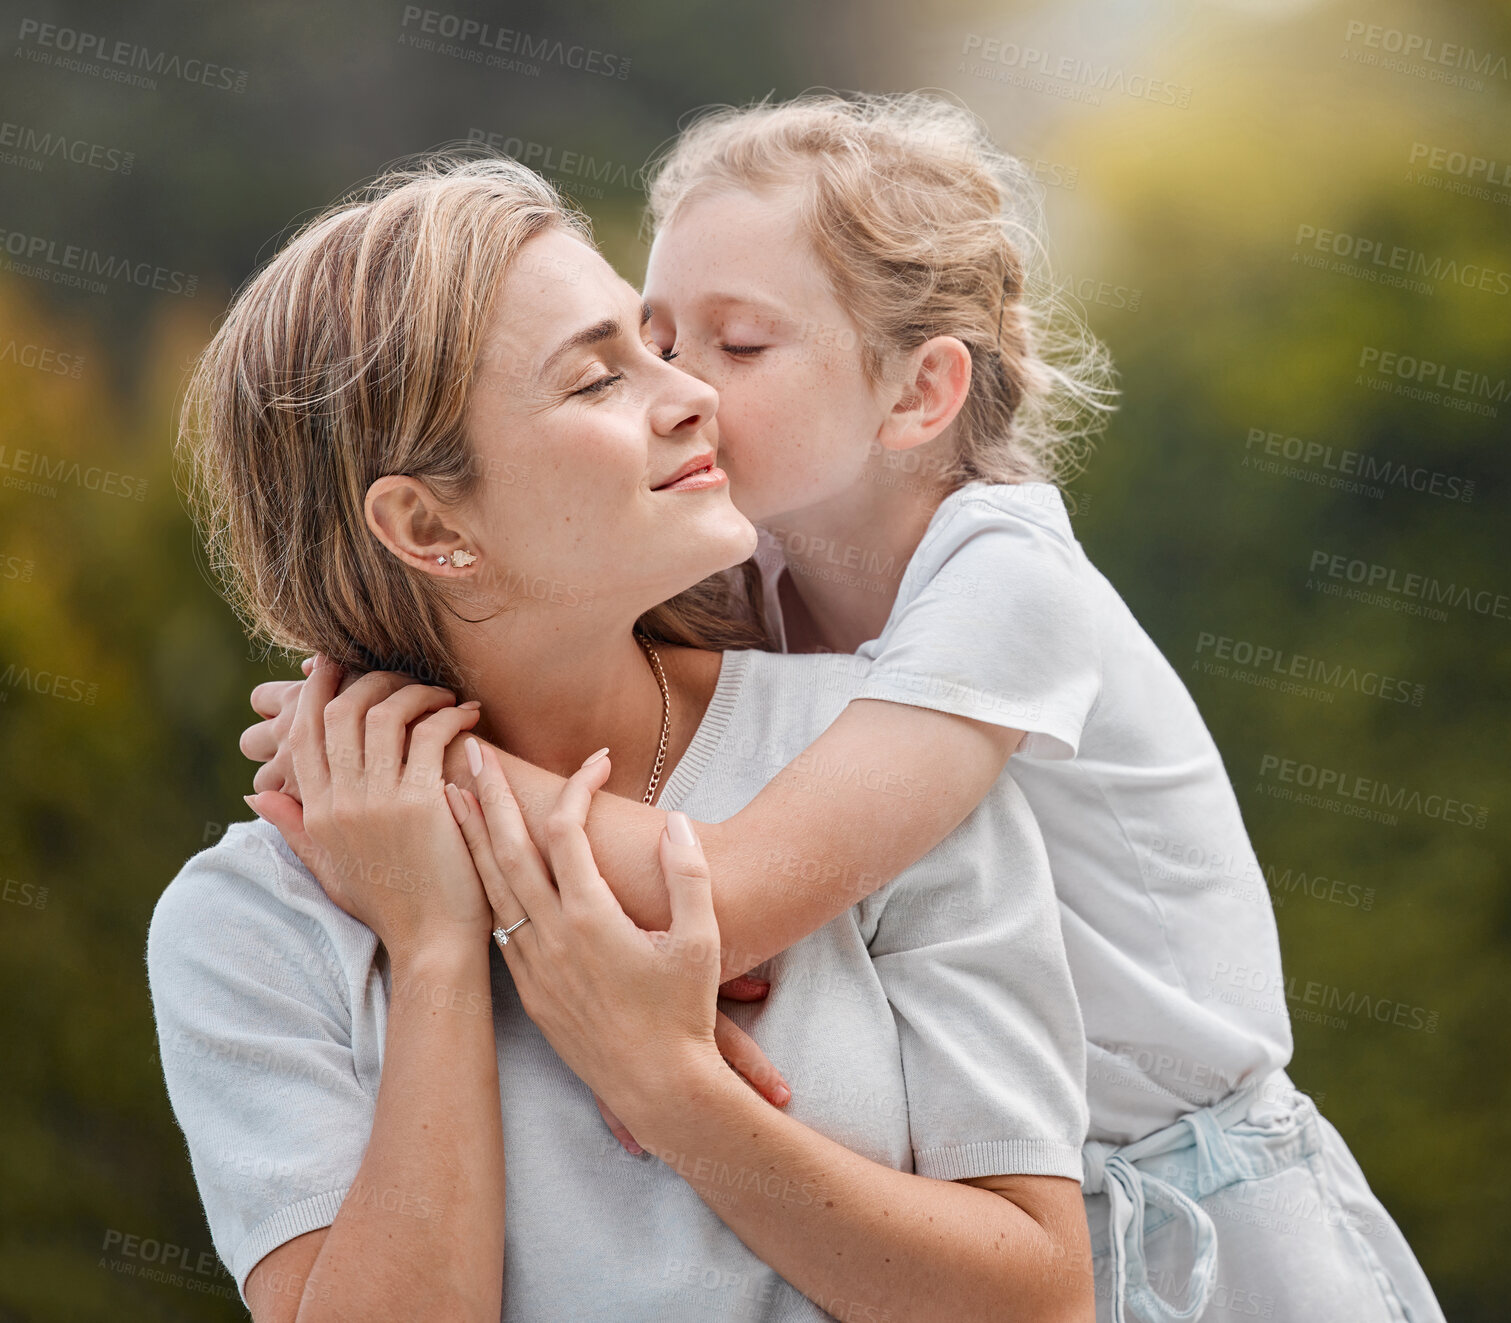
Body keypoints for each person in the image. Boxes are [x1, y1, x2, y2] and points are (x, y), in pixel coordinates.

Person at [246, 93, 1446, 1322]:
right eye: (655, 342)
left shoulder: (1006, 582)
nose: (681, 388)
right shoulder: (753, 581)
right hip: (994, 1199)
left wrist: (416, 767)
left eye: (740, 346)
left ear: (919, 395)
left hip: (1205, 1226)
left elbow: (739, 890)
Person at [147, 150, 1095, 1322]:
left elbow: (1038, 1299)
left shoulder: (871, 748)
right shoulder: (247, 924)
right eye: (597, 380)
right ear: (426, 522)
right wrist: (438, 949)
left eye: (656, 346)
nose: (691, 393)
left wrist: (670, 1087)